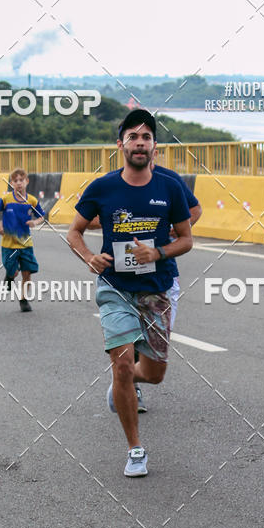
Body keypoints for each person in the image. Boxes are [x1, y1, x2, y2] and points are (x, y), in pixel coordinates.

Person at [67, 108, 193, 477]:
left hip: (157, 289)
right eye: (133, 137)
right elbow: (74, 232)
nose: (140, 143)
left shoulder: (169, 187)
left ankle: (128, 381)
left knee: (154, 374)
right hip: (115, 288)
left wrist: (158, 252)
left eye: (146, 137)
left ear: (154, 146)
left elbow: (187, 239)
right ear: (120, 144)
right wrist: (90, 257)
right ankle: (135, 449)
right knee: (121, 363)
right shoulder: (102, 187)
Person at [0, 168, 45, 313]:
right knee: (13, 271)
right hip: (8, 244)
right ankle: (10, 276)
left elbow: (42, 216)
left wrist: (35, 222)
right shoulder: (6, 199)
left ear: (27, 181)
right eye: (15, 181)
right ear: (11, 183)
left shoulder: (32, 200)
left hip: (26, 244)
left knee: (27, 273)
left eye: (21, 180)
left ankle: (23, 299)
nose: (19, 183)